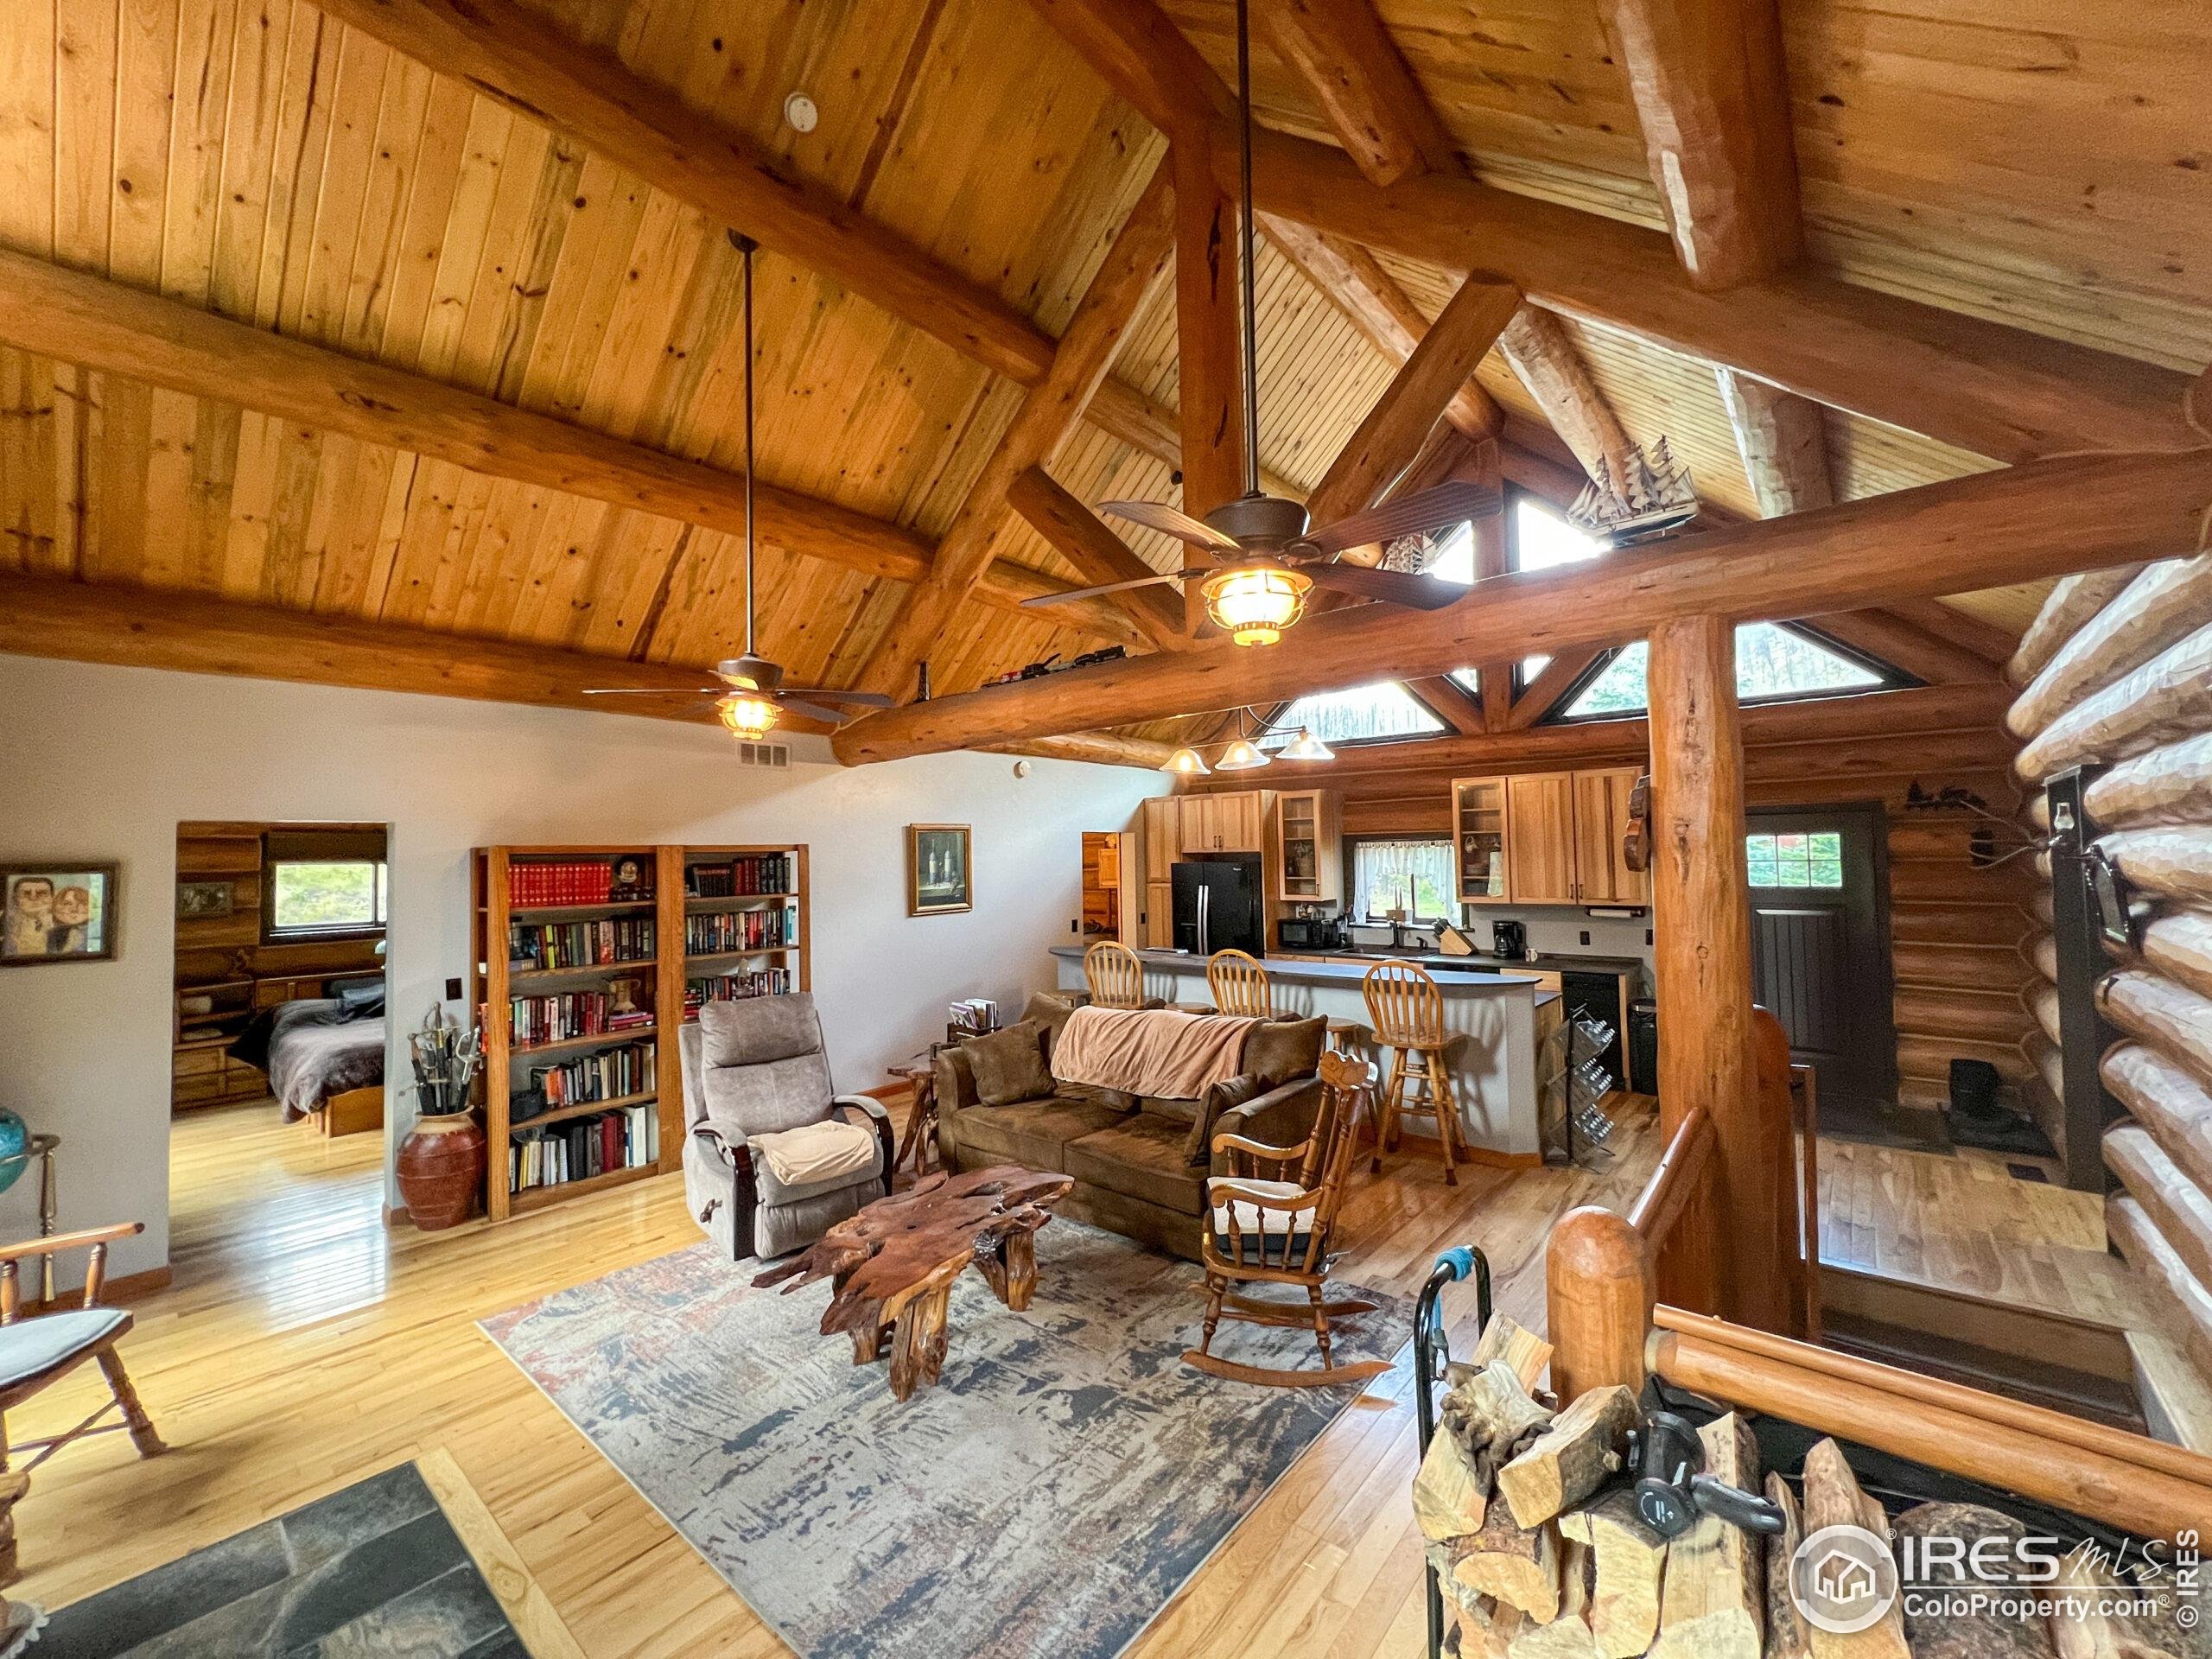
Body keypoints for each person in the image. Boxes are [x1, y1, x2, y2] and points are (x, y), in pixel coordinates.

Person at [3, 876, 54, 958]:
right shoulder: (7, 927)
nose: (33, 898)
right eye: (26, 893)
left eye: (42, 893)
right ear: (15, 899)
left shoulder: (62, 927)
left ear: (52, 898)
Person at [46, 885, 92, 954]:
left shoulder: (93, 931)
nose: (74, 909)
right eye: (67, 903)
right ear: (56, 907)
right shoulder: (53, 933)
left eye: (82, 903)